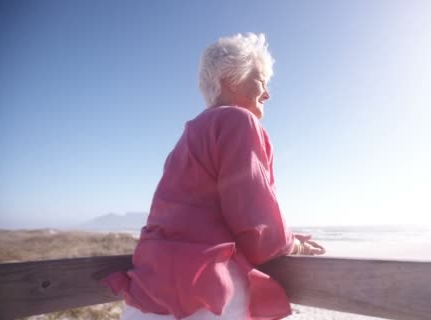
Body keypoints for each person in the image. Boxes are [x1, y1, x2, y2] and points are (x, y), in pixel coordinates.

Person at [102, 33, 325, 320]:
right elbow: (256, 226)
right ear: (232, 79)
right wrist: (293, 244)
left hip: (150, 293)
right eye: (262, 81)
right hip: (205, 295)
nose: (268, 93)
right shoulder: (238, 120)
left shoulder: (190, 134)